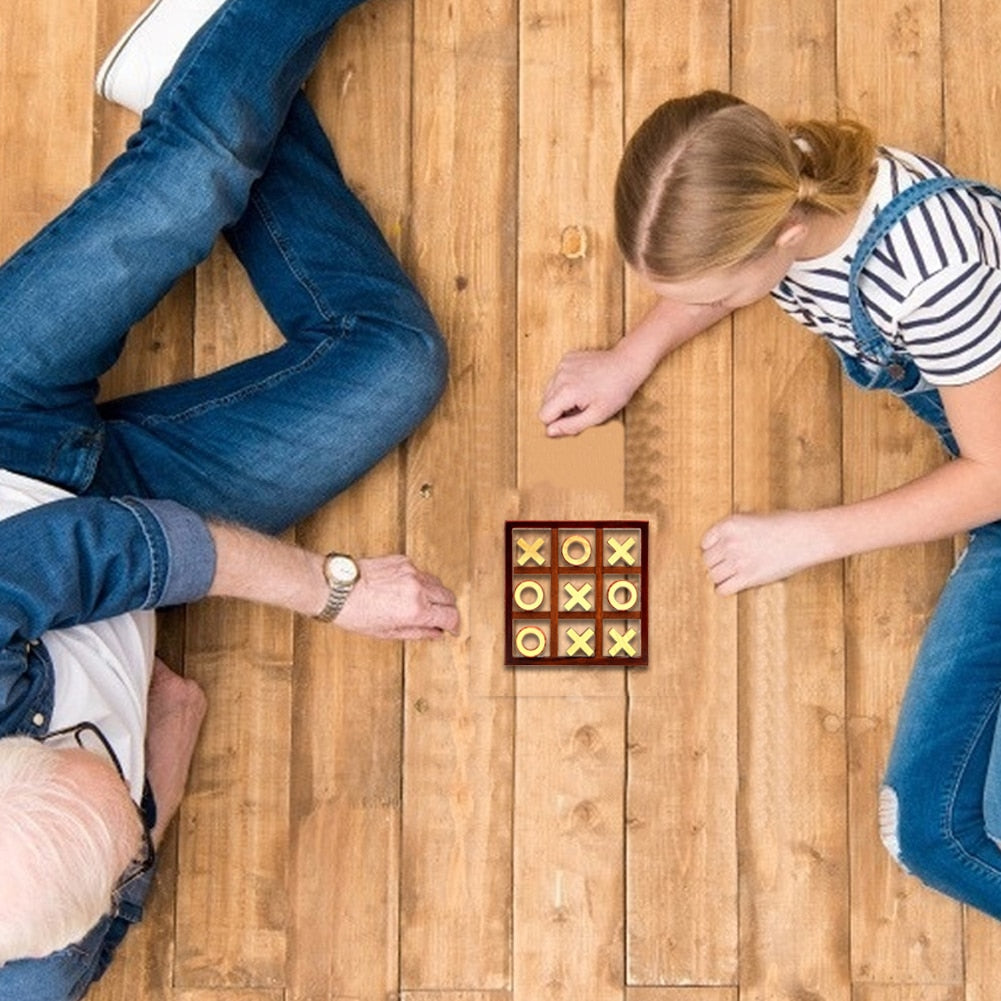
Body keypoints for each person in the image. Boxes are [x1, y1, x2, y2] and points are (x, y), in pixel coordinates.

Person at [0, 0, 459, 996]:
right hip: (118, 551)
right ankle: (197, 63)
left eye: (79, 754)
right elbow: (131, 860)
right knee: (397, 366)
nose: (110, 764)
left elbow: (123, 546)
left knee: (193, 170)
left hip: (15, 432)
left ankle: (218, 71)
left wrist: (336, 590)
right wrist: (160, 743)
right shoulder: (39, 968)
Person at [541, 89, 1001, 920]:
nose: (701, 297)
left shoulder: (932, 279)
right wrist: (630, 354)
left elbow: (994, 475)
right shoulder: (776, 167)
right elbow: (718, 283)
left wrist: (805, 535)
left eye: (711, 281)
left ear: (781, 236)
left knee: (938, 833)